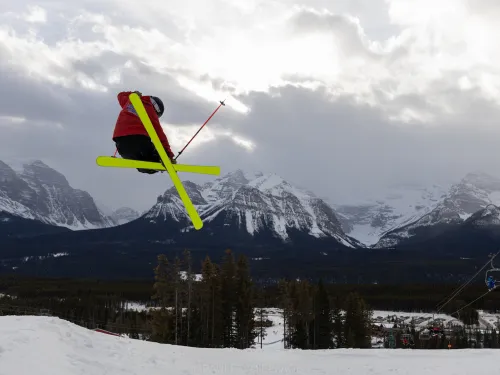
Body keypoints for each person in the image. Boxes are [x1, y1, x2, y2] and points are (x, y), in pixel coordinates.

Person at [112, 90, 176, 174]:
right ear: (156, 108)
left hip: (121, 145)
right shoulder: (150, 109)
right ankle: (159, 162)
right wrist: (169, 155)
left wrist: (132, 94)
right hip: (139, 141)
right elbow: (159, 134)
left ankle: (149, 167)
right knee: (152, 156)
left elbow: (120, 95)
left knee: (142, 164)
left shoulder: (129, 102)